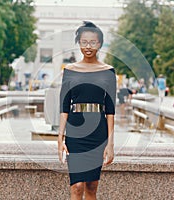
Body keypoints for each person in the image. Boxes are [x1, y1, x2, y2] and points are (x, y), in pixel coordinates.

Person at [58, 21, 116, 199]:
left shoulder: (108, 71)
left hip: (98, 132)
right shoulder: (69, 70)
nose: (88, 46)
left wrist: (111, 144)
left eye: (93, 42)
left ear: (99, 44)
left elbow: (111, 110)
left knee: (91, 186)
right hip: (75, 131)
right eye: (84, 42)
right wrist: (60, 137)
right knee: (76, 186)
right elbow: (64, 105)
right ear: (79, 43)